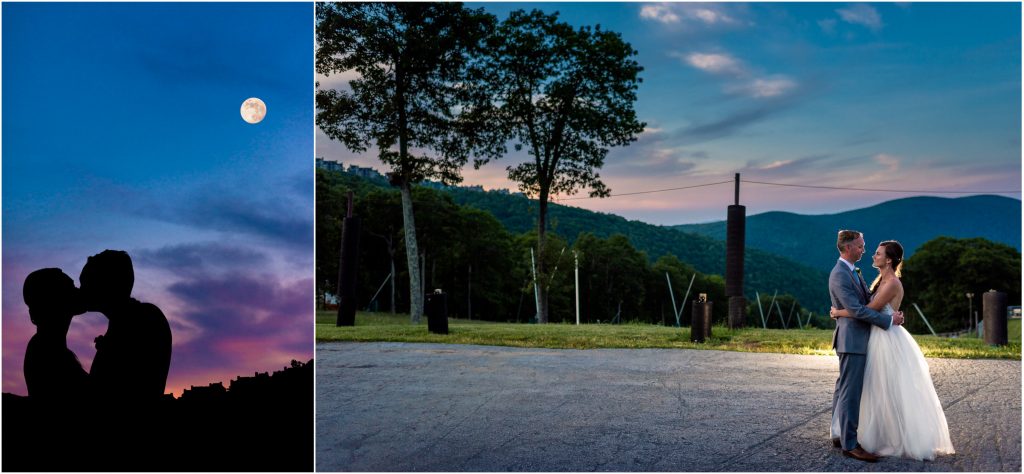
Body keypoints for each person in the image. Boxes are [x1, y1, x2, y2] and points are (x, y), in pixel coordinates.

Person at [830, 240, 954, 461]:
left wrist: (839, 312)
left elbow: (866, 310)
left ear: (888, 259)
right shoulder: (882, 279)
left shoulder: (892, 283)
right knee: (876, 389)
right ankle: (853, 433)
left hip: (885, 339)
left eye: (878, 254)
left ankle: (891, 437)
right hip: (877, 335)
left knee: (887, 389)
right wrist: (888, 317)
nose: (872, 256)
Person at [827, 230, 904, 463]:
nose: (864, 250)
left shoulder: (852, 271)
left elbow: (866, 302)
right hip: (852, 340)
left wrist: (839, 312)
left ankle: (839, 434)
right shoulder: (840, 274)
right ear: (848, 247)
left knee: (844, 388)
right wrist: (890, 320)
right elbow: (860, 310)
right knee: (850, 392)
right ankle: (850, 444)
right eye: (860, 246)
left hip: (858, 338)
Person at [80, 250, 172, 404]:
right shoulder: (129, 319)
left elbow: (111, 388)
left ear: (106, 285)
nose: (81, 290)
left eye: (86, 283)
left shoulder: (143, 319)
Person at [22, 268, 89, 402]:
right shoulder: (46, 350)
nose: (78, 291)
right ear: (56, 299)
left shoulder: (44, 345)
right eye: (71, 288)